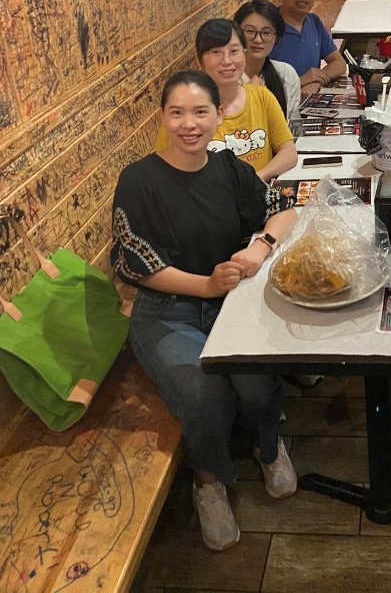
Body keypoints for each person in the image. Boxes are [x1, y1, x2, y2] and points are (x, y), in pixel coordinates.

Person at [112, 70, 299, 552]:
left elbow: (284, 210)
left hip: (231, 302)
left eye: (200, 112)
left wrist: (260, 245)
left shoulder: (229, 169)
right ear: (162, 118)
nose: (189, 124)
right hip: (165, 312)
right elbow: (138, 263)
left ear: (219, 115)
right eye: (177, 113)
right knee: (203, 397)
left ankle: (268, 446)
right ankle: (208, 481)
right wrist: (207, 285)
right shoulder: (138, 180)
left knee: (258, 382)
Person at [156, 19, 297, 182]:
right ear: (200, 61)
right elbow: (161, 165)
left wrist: (254, 181)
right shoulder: (186, 111)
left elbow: (288, 151)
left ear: (244, 54)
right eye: (216, 52)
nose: (227, 61)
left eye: (234, 51)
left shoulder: (262, 97)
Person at [269, 0, 347, 98]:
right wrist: (301, 81)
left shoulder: (314, 22)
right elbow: (256, 86)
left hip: (307, 106)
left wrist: (316, 81)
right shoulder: (267, 30)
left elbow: (339, 63)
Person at [234, 0, 301, 121]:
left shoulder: (286, 75)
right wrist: (249, 95)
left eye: (266, 33)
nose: (258, 40)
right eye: (249, 31)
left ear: (276, 38)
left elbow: (292, 128)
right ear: (237, 34)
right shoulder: (227, 79)